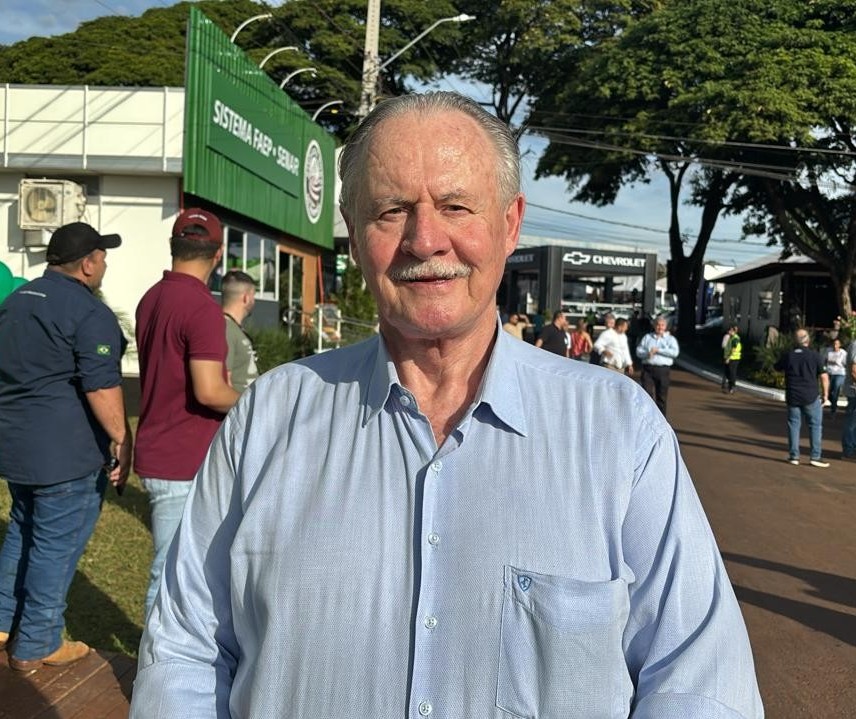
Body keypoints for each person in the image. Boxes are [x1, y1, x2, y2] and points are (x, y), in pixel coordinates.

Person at [130, 91, 763, 719]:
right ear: (352, 234)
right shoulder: (268, 421)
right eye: (391, 211)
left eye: (457, 206)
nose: (425, 240)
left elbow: (700, 677)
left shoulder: (620, 433)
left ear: (510, 224)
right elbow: (185, 650)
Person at [0, 222, 131, 672]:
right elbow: (101, 386)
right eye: (103, 255)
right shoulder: (89, 313)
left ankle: (1, 622)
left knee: (22, 530)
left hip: (16, 449)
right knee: (55, 546)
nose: (106, 262)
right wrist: (121, 438)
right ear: (88, 264)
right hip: (65, 456)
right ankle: (37, 642)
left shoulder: (16, 301)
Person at [134, 208, 241, 618]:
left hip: (160, 449)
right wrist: (256, 399)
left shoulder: (152, 297)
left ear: (173, 246)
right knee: (171, 575)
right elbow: (210, 391)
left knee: (176, 570)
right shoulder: (201, 308)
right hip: (182, 460)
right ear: (217, 256)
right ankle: (152, 677)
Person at [774, 328, 830, 467]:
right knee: (815, 426)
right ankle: (815, 456)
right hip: (810, 396)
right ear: (808, 340)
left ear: (795, 340)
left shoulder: (789, 355)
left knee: (793, 425)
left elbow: (777, 367)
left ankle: (794, 456)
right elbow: (824, 377)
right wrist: (826, 395)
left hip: (793, 395)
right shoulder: (815, 356)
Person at [220, 269, 259, 393]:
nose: (254, 300)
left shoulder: (233, 327)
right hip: (239, 408)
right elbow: (225, 382)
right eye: (253, 295)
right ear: (246, 298)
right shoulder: (226, 328)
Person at [636, 315, 680, 415]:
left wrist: (658, 350)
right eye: (658, 325)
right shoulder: (647, 337)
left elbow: (674, 353)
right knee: (647, 395)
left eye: (662, 325)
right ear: (654, 325)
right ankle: (648, 418)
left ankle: (662, 421)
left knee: (662, 397)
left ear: (666, 326)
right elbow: (639, 351)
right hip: (648, 369)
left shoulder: (670, 339)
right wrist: (647, 353)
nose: (660, 327)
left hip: (663, 370)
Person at [824, 337, 847, 415]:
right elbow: (825, 361)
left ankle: (833, 410)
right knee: (830, 391)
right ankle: (833, 402)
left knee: (836, 389)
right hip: (830, 373)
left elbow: (846, 364)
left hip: (839, 373)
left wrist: (839, 363)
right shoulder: (829, 351)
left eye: (837, 344)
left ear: (840, 345)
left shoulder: (843, 353)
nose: (835, 345)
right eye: (834, 344)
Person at [842, 336, 856, 460]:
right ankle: (849, 451)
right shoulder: (855, 345)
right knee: (851, 423)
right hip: (854, 391)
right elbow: (854, 370)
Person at [722, 324, 742, 394]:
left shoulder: (735, 338)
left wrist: (728, 358)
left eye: (730, 330)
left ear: (732, 331)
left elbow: (733, 349)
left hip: (734, 358)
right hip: (731, 357)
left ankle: (732, 386)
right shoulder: (731, 337)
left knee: (732, 373)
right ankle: (731, 386)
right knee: (729, 372)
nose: (728, 332)